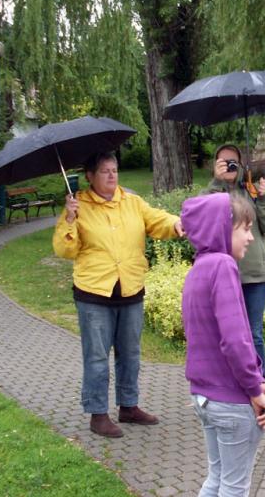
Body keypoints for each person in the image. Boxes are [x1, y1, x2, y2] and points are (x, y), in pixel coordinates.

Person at [53, 151, 184, 438]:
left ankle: (128, 406)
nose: (112, 175)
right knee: (97, 356)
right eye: (104, 171)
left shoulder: (132, 202)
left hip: (130, 288)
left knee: (130, 353)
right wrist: (70, 219)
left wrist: (176, 224)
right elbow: (65, 250)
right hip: (93, 293)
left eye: (114, 170)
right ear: (90, 176)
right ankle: (98, 414)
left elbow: (156, 220)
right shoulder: (78, 206)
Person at [181, 192, 265, 497]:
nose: (251, 237)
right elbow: (235, 340)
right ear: (222, 228)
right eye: (245, 228)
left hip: (204, 398)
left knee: (217, 480)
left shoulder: (198, 268)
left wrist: (259, 384)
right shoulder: (223, 265)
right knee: (234, 487)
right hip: (231, 401)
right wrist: (256, 390)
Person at [202, 144, 265, 377]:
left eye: (233, 161)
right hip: (223, 277)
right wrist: (217, 182)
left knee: (253, 335)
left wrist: (263, 198)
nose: (229, 166)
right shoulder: (212, 193)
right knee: (227, 334)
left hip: (255, 277)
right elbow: (203, 219)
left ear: (241, 164)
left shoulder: (251, 192)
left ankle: (259, 382)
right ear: (215, 165)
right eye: (223, 162)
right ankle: (230, 382)